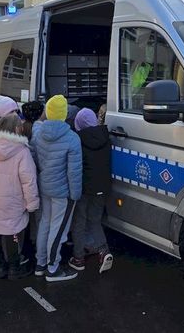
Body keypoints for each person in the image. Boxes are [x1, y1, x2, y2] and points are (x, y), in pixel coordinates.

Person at [0, 114, 39, 280]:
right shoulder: (22, 151)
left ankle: (0, 267)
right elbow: (28, 181)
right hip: (13, 200)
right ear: (17, 129)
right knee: (12, 232)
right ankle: (14, 267)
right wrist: (32, 203)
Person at [33, 95, 82, 282]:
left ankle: (40, 263)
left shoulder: (39, 133)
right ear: (64, 114)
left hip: (45, 186)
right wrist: (75, 195)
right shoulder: (72, 138)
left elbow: (36, 161)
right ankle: (53, 269)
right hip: (63, 192)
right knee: (59, 229)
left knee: (45, 224)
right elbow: (74, 172)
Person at [68, 108, 113, 273]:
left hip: (84, 188)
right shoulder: (106, 137)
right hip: (102, 187)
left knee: (79, 221)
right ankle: (103, 250)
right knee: (95, 220)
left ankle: (78, 258)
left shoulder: (77, 139)